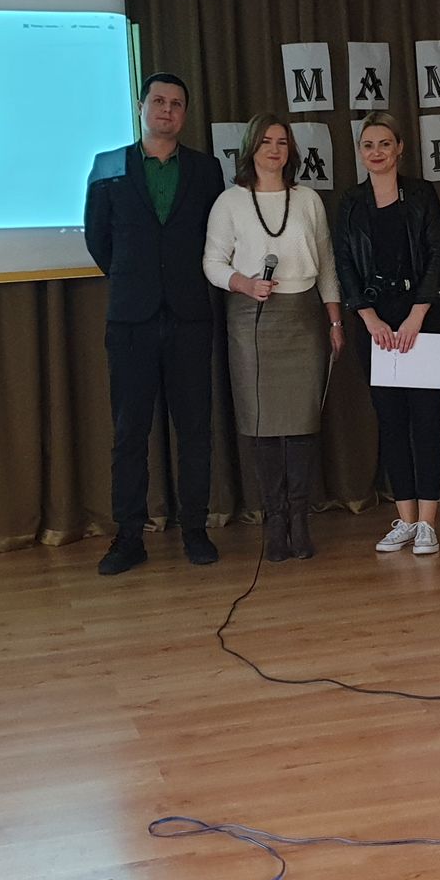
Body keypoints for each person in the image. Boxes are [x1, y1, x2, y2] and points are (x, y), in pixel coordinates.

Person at [83, 73, 226, 576]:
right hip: (131, 319)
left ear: (185, 114)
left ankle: (195, 530)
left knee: (195, 431)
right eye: (159, 101)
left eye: (177, 103)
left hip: (190, 317)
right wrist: (137, 279)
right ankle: (128, 537)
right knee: (129, 433)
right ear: (141, 106)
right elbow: (98, 240)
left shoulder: (207, 170)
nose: (167, 109)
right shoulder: (107, 165)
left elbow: (216, 237)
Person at [204, 116, 344, 561]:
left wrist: (335, 320)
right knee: (262, 425)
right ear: (251, 148)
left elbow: (327, 262)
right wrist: (244, 283)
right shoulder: (229, 201)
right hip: (251, 318)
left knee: (302, 423)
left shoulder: (308, 200)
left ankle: (300, 519)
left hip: (303, 317)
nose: (274, 149)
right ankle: (275, 520)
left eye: (282, 142)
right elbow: (212, 262)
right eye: (266, 141)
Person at [333, 111, 440, 557]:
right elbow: (344, 263)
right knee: (391, 421)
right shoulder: (351, 202)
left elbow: (438, 254)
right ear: (359, 152)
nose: (376, 152)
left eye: (385, 143)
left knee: (426, 420)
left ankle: (428, 524)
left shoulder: (421, 194)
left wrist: (417, 316)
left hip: (421, 320)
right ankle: (405, 519)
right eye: (368, 145)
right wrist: (369, 319)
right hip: (376, 327)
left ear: (400, 148)